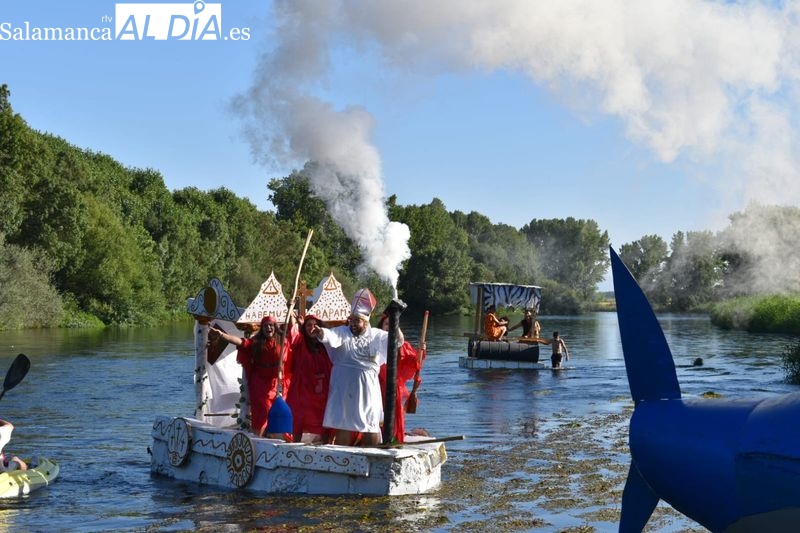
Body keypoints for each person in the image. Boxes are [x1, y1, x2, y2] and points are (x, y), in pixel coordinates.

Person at [308, 288, 402, 447]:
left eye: (356, 321)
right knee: (344, 424)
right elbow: (330, 336)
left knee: (370, 425)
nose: (352, 324)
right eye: (351, 320)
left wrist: (396, 322)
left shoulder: (377, 335)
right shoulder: (343, 332)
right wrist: (320, 333)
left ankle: (371, 456)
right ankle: (343, 460)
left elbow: (397, 341)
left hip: (368, 390)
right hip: (343, 388)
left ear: (366, 322)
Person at [208, 315, 293, 437]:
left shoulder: (283, 340)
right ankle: (259, 435)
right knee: (264, 411)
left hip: (277, 383)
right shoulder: (257, 342)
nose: (268, 328)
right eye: (265, 326)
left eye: (270, 325)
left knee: (280, 410)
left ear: (275, 327)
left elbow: (295, 338)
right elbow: (240, 342)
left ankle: (274, 435)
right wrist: (222, 335)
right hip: (260, 384)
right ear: (262, 329)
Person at [285, 314, 333, 444]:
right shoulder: (301, 342)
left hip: (322, 387)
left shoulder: (326, 344)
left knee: (323, 416)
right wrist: (291, 317)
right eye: (308, 325)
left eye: (314, 325)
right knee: (299, 414)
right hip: (303, 387)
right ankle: (295, 444)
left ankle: (327, 444)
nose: (312, 328)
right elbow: (293, 334)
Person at [377, 313, 423, 444]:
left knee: (394, 416)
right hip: (376, 386)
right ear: (381, 326)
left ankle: (394, 439)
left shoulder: (402, 345)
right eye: (386, 324)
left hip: (394, 388)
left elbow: (414, 363)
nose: (389, 327)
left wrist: (420, 351)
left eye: (392, 325)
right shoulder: (374, 341)